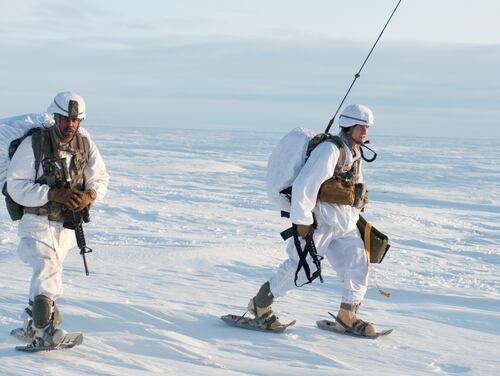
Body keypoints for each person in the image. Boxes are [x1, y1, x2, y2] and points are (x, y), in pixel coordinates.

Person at [247, 104, 378, 336]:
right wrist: (302, 221)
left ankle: (347, 316)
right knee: (301, 267)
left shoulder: (354, 152)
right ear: (348, 125)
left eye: (367, 127)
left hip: (345, 223)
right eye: (361, 127)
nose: (365, 131)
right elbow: (304, 186)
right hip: (321, 221)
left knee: (358, 264)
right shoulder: (329, 150)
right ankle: (260, 304)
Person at [7, 91, 109, 346]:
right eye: (65, 119)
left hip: (66, 224)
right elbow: (16, 186)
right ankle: (43, 330)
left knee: (52, 271)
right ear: (55, 117)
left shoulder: (85, 144)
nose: (70, 125)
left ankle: (31, 320)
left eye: (75, 120)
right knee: (46, 268)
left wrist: (90, 195)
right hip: (36, 221)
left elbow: (100, 177)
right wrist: (53, 193)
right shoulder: (34, 144)